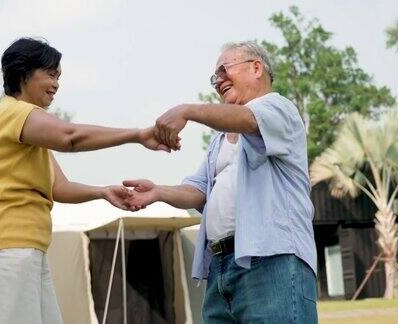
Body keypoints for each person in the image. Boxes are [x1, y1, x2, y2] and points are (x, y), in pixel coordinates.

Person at [0, 37, 175, 324]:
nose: (57, 84)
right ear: (23, 74)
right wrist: (137, 135)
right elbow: (70, 137)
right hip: (4, 247)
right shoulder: (14, 113)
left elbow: (58, 188)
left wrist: (102, 192)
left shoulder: (28, 131)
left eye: (59, 77)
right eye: (51, 74)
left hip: (24, 247)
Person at [124, 41, 318, 323]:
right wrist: (158, 192)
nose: (218, 81)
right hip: (221, 266)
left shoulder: (278, 108)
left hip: (272, 261)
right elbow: (198, 189)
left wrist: (187, 111)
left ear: (255, 68)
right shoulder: (219, 141)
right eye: (214, 77)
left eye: (224, 70)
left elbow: (248, 119)